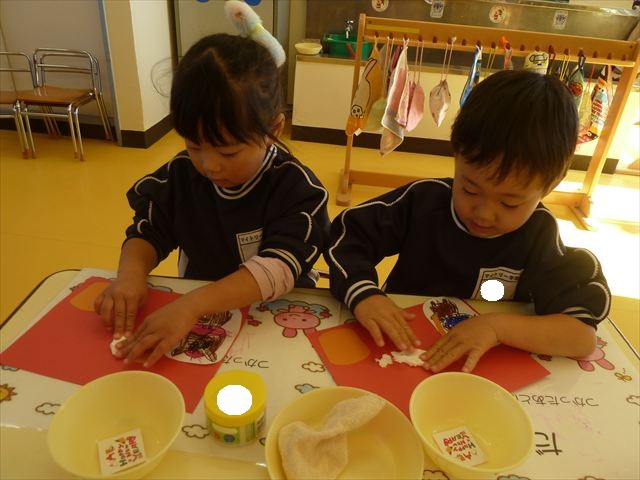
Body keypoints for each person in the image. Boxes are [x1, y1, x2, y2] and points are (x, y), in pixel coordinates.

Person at [325, 69, 610, 373]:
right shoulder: (424, 202)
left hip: (484, 371)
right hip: (403, 352)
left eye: (509, 203)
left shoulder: (540, 235)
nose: (483, 213)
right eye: (469, 190)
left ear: (549, 186)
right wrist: (365, 294)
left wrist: (497, 328)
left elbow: (581, 337)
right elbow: (348, 236)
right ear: (456, 156)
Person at [95, 33, 330, 367]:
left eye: (228, 152)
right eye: (194, 146)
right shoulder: (180, 175)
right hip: (201, 317)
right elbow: (148, 231)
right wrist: (129, 277)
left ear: (274, 129)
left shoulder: (296, 189)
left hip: (279, 318)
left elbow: (278, 268)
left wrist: (192, 305)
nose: (209, 165)